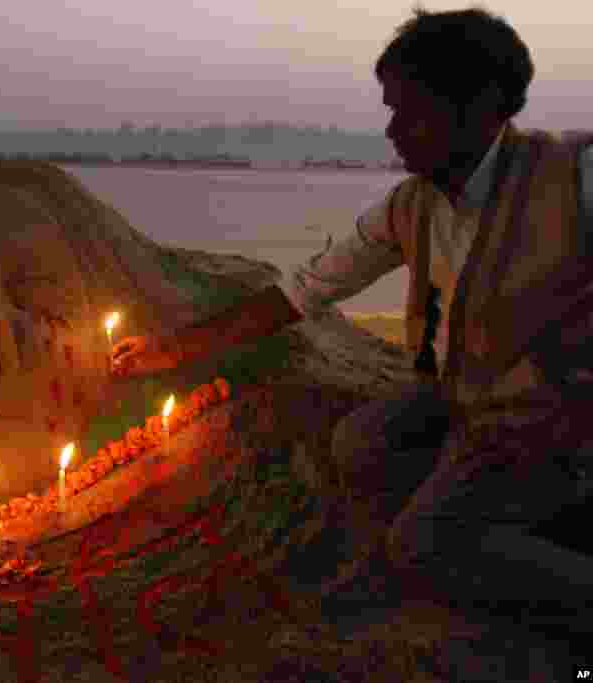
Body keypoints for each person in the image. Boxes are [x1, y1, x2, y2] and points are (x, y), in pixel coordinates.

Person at [111, 5, 593, 656]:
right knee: (359, 441)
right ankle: (470, 535)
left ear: (482, 107)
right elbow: (303, 291)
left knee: (423, 543)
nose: (393, 131)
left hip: (558, 417)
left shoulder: (570, 184)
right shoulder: (412, 206)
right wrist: (169, 350)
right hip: (468, 400)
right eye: (391, 110)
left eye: (411, 111)